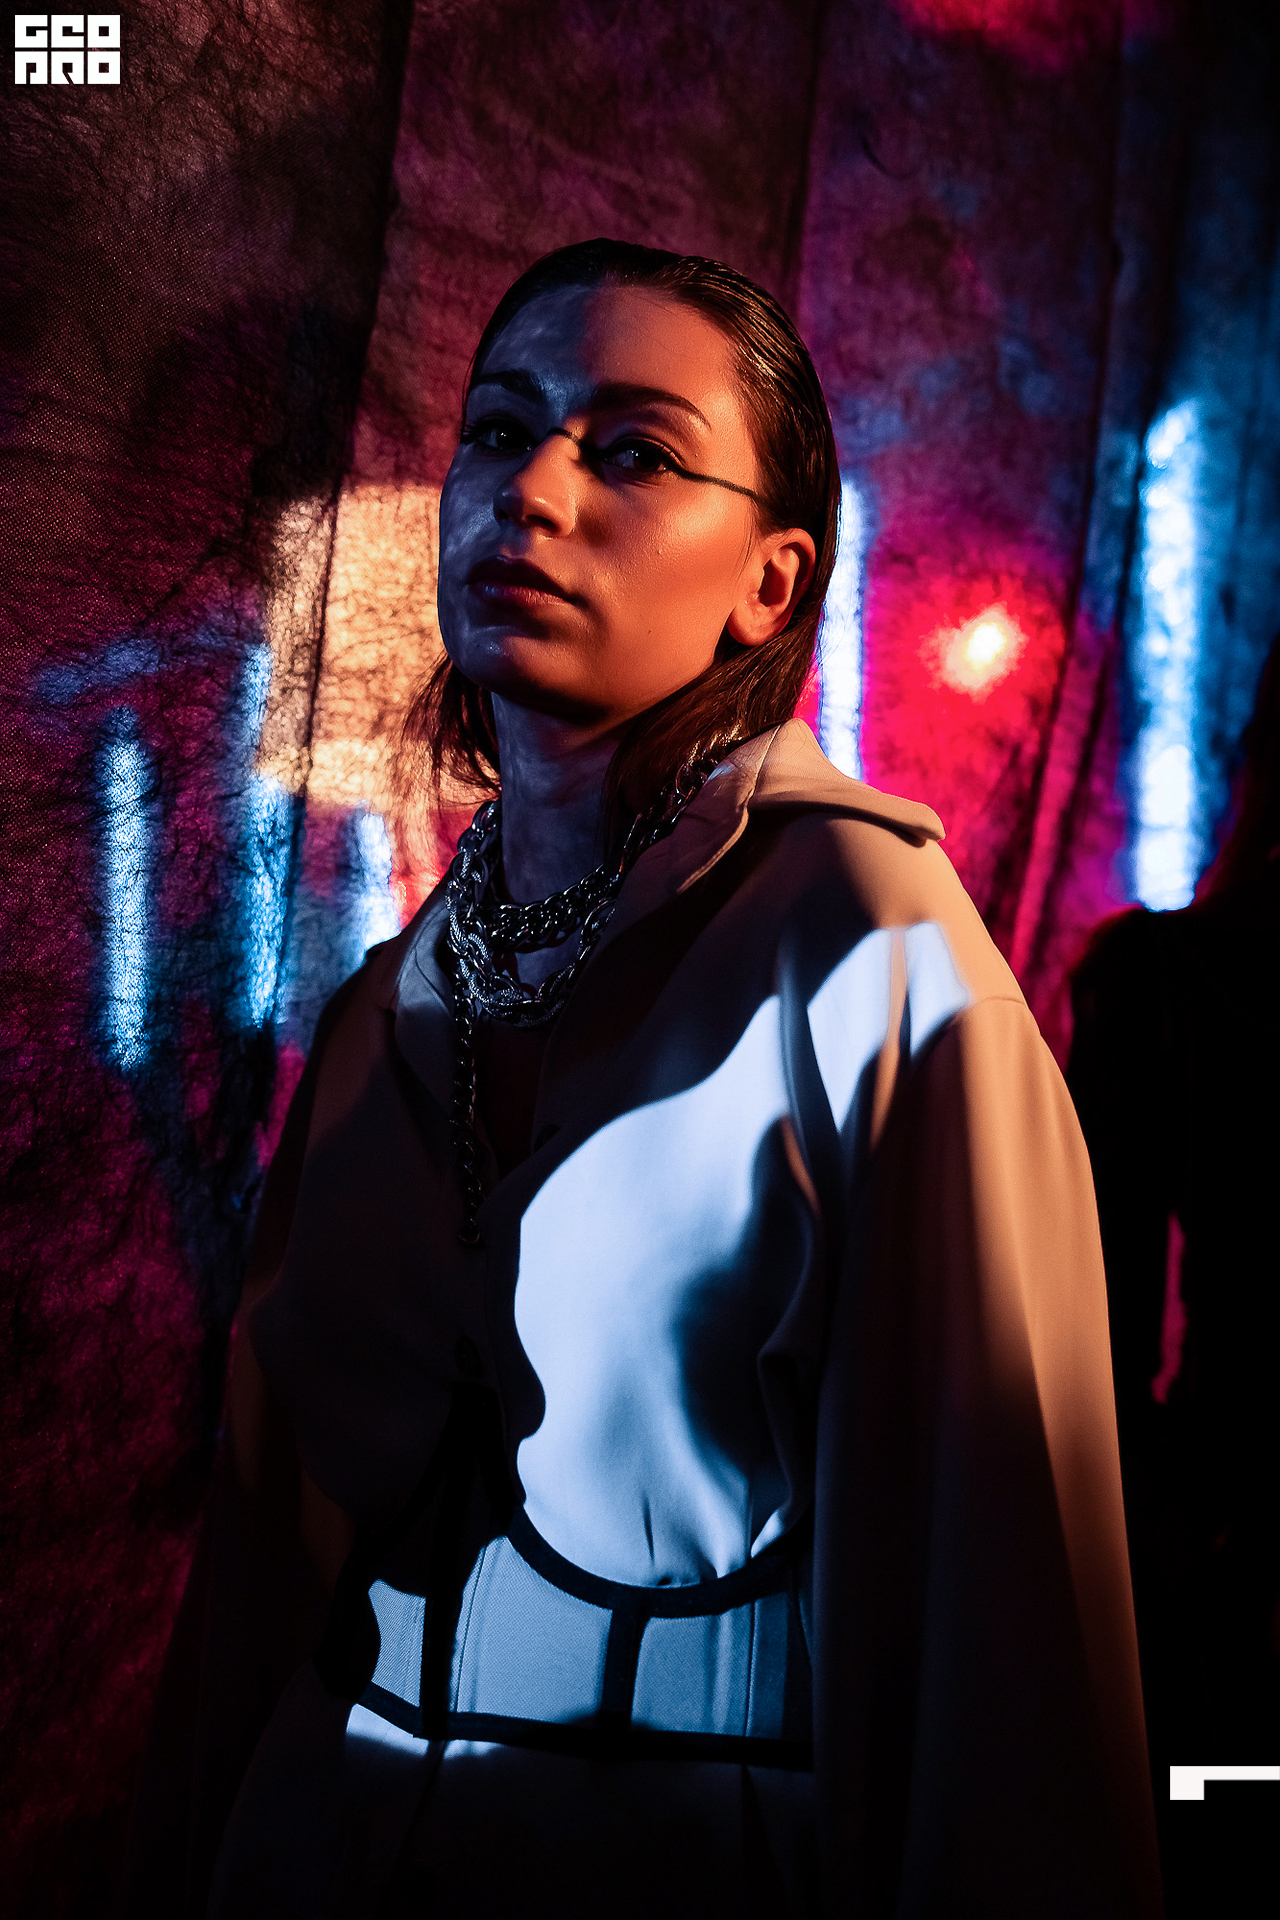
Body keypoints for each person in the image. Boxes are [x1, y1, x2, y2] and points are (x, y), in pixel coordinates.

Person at [125, 239, 1161, 1918]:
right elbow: (257, 1568)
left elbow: (1009, 1638)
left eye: (633, 452)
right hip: (316, 1845)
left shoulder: (877, 962)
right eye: (499, 428)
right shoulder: (394, 1002)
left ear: (772, 581)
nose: (531, 490)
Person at [1069, 635, 1280, 1915]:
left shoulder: (1165, 981)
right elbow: (1093, 1332)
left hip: (1214, 1534)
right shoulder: (1162, 983)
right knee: (1220, 1813)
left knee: (1221, 1820)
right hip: (1218, 1546)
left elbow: (1097, 1332)